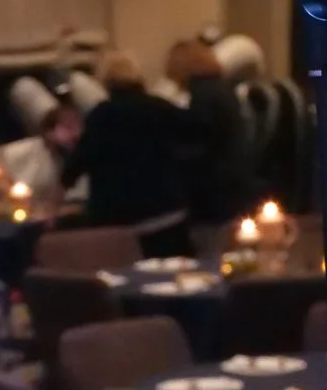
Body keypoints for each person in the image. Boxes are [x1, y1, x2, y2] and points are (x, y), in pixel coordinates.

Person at [64, 52, 189, 252]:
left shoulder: (101, 116)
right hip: (166, 214)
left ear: (106, 82)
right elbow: (195, 137)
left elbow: (75, 165)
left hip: (117, 223)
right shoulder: (159, 108)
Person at [167, 37, 255, 225]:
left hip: (214, 191)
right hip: (233, 184)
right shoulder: (221, 89)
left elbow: (201, 142)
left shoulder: (203, 95)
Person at [0, 103, 82, 204]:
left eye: (79, 127)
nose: (76, 133)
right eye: (68, 127)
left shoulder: (74, 157)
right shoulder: (28, 148)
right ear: (49, 131)